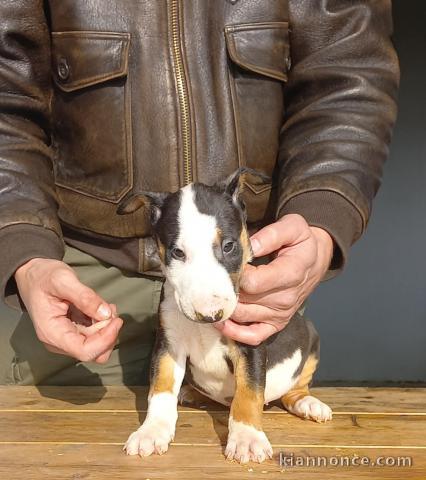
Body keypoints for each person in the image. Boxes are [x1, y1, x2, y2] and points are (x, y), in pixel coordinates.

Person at [0, 0, 399, 385]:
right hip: (83, 285)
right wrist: (26, 252)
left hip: (250, 284)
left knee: (254, 448)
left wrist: (318, 222)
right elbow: (7, 103)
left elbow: (349, 72)